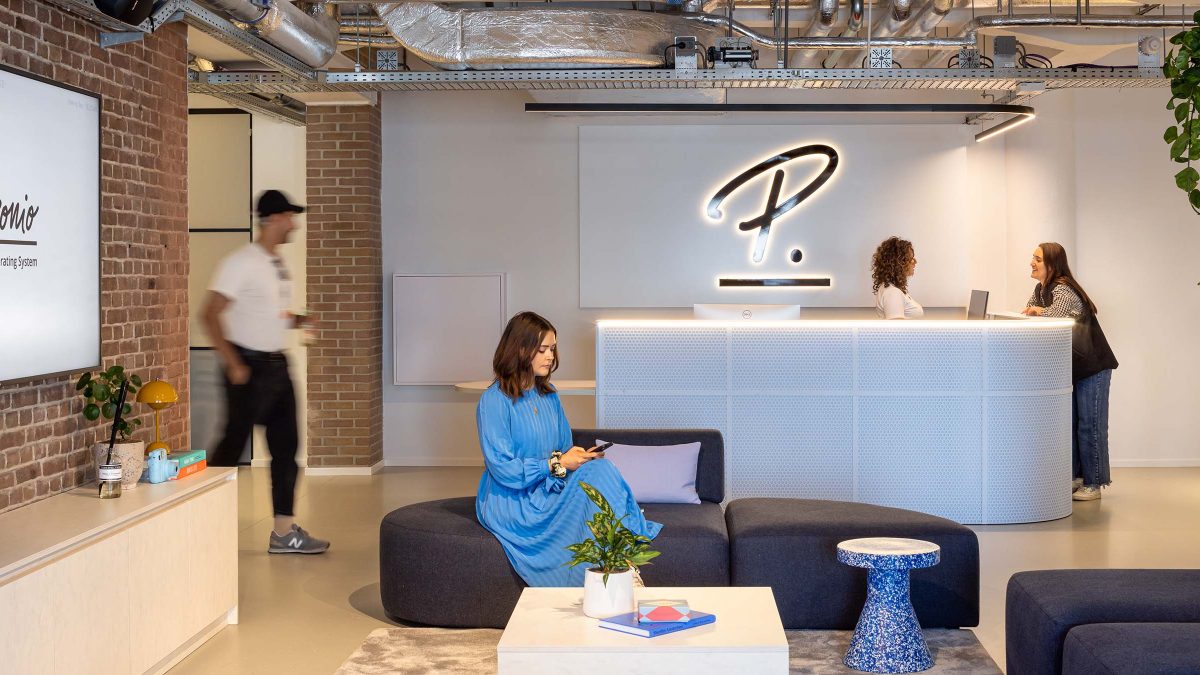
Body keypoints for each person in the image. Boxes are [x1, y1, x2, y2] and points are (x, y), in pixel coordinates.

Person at [475, 311, 661, 586]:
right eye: (542, 349)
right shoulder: (494, 401)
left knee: (600, 467)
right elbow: (503, 469)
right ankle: (619, 570)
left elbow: (561, 449)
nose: (550, 356)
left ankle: (619, 563)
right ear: (520, 349)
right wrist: (556, 464)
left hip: (549, 486)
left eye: (552, 348)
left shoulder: (549, 396)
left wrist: (576, 459)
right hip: (512, 500)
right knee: (596, 476)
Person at [202, 189, 329, 553]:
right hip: (249, 368)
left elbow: (269, 314)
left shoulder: (276, 264)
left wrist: (299, 319)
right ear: (273, 219)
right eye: (290, 216)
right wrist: (234, 363)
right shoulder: (241, 261)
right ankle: (202, 520)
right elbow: (210, 313)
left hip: (277, 366)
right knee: (231, 449)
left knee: (288, 448)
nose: (294, 223)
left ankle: (283, 533)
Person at [1022, 242, 1119, 501]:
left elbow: (1055, 318)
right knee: (1072, 424)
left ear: (1053, 264)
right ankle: (1076, 477)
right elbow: (1030, 314)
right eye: (1033, 258)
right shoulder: (1040, 289)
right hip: (1075, 368)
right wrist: (1038, 312)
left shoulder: (1063, 288)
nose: (1032, 262)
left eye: (1038, 259)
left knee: (1090, 425)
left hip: (1093, 367)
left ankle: (1094, 483)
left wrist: (1039, 312)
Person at [871, 236, 924, 319]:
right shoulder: (892, 292)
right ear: (898, 263)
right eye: (911, 258)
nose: (915, 262)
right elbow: (896, 330)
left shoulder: (893, 289)